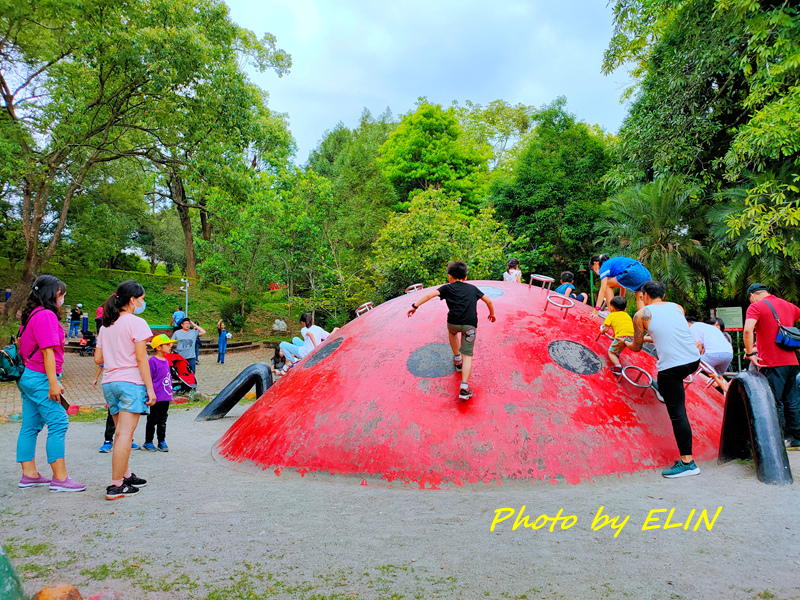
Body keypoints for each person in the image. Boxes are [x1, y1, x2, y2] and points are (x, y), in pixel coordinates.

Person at [16, 275, 86, 492]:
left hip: (28, 376)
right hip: (41, 377)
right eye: (61, 293)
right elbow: (48, 351)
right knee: (58, 422)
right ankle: (60, 478)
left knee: (30, 426)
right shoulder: (46, 315)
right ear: (52, 294)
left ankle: (29, 474)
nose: (63, 298)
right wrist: (53, 383)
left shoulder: (31, 315)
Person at [626, 281, 701, 478]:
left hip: (671, 369)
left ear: (643, 296)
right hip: (693, 360)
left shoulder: (640, 315)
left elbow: (636, 346)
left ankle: (688, 463)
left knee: (678, 414)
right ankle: (664, 390)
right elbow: (670, 334)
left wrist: (624, 342)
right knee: (670, 387)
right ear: (663, 293)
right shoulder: (677, 307)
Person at [95, 280, 156, 500]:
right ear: (132, 300)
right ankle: (116, 485)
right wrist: (150, 388)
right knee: (124, 435)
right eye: (141, 299)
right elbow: (141, 357)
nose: (142, 303)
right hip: (130, 383)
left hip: (109, 383)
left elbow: (98, 358)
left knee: (120, 432)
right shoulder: (136, 323)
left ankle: (126, 475)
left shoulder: (106, 325)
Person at [407, 261, 496, 401]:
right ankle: (464, 388)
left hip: (453, 323)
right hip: (470, 325)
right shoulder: (473, 288)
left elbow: (429, 295)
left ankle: (457, 360)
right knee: (468, 355)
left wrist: (414, 306)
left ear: (449, 276)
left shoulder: (446, 288)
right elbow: (489, 301)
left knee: (453, 333)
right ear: (465, 277)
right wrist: (492, 314)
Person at [743, 282, 800, 450]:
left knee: (775, 401)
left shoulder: (756, 307)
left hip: (771, 362)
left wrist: (750, 353)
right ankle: (796, 439)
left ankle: (777, 441)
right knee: (792, 400)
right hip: (792, 361)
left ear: (752, 295)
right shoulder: (788, 305)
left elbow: (747, 330)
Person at [142, 334, 176, 452]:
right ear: (158, 347)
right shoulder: (152, 361)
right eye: (167, 344)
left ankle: (161, 441)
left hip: (165, 396)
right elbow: (149, 378)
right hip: (156, 397)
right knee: (152, 420)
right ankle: (148, 441)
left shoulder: (166, 361)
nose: (170, 346)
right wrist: (149, 393)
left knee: (162, 420)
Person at [600, 296, 634, 375]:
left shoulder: (611, 315)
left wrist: (601, 330)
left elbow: (606, 329)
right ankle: (617, 354)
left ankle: (618, 367)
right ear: (624, 309)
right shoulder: (627, 315)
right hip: (631, 337)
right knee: (621, 345)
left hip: (621, 336)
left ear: (611, 308)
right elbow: (623, 326)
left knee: (610, 352)